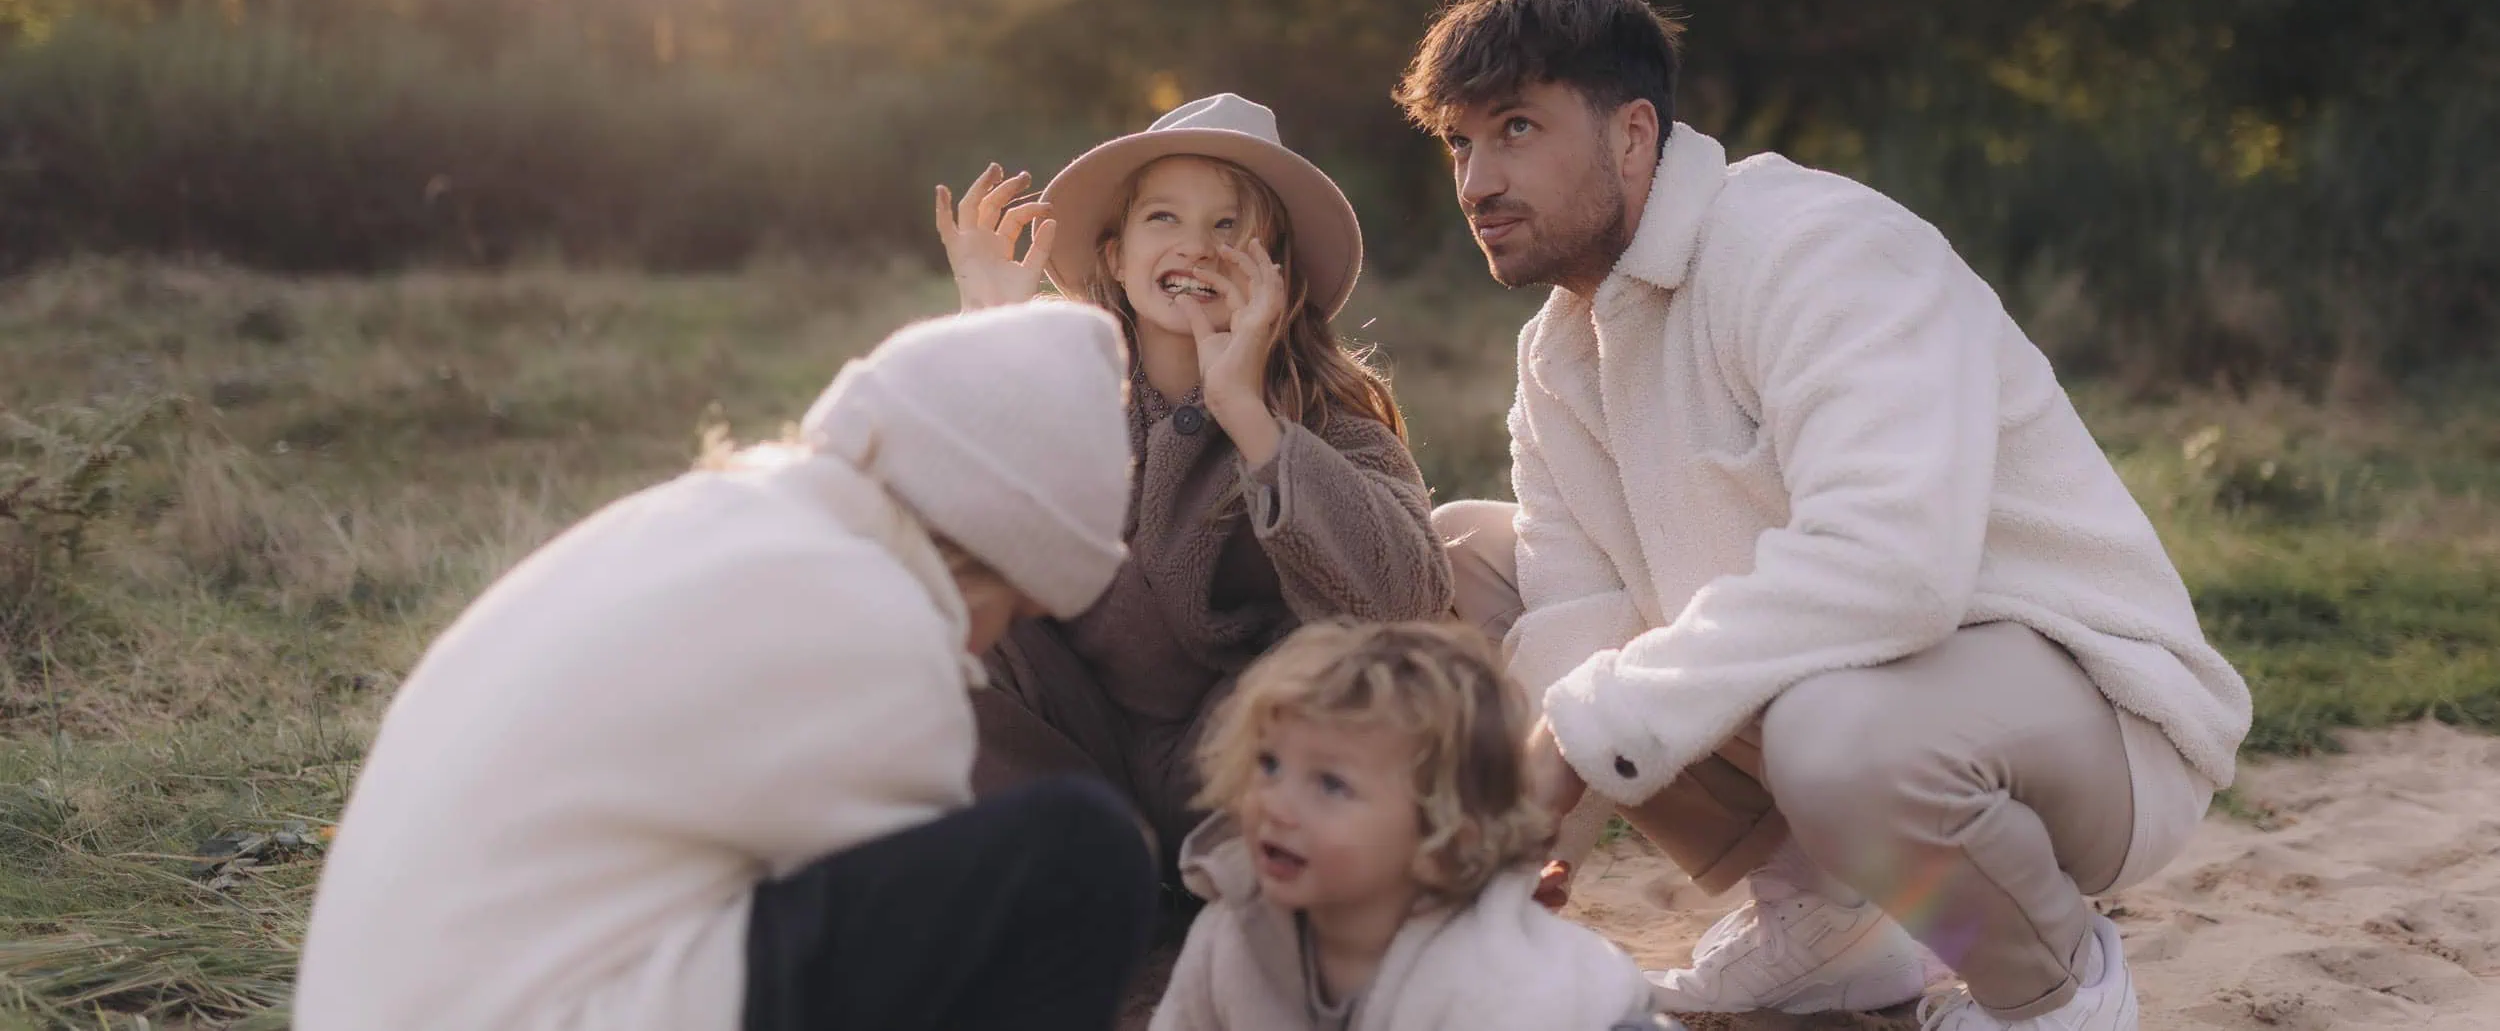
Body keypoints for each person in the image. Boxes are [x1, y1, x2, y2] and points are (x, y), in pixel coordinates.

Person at [1393, 0, 2252, 1031]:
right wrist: (1540, 827)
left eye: (1516, 128)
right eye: (1459, 143)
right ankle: (1831, 923)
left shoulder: (1816, 245)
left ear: (1631, 134)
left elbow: (1890, 568)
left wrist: (1574, 742)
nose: (1478, 179)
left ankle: (2056, 985)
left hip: (2093, 717)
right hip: (1860, 699)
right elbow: (1576, 613)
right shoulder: (1557, 351)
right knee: (1455, 559)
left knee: (1836, 731)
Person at [295, 302, 1156, 1031]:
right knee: (1082, 855)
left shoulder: (702, 517)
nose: (982, 649)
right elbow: (939, 969)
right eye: (1009, 612)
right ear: (984, 552)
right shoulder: (873, 622)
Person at [935, 93, 1454, 872]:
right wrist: (991, 337)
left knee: (1354, 663)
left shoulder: (1326, 416)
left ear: (1275, 270)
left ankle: (1228, 881)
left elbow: (1407, 596)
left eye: (1230, 226)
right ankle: (1076, 870)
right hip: (1073, 752)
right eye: (1164, 219)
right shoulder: (1062, 386)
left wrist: (1246, 413)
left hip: (1242, 765)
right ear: (1114, 254)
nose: (1198, 248)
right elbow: (937, 532)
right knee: (931, 614)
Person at [1149, 619, 1666, 1031]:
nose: (1277, 805)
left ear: (1440, 837)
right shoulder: (1234, 928)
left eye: (1330, 785)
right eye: (1269, 765)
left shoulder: (1487, 981)